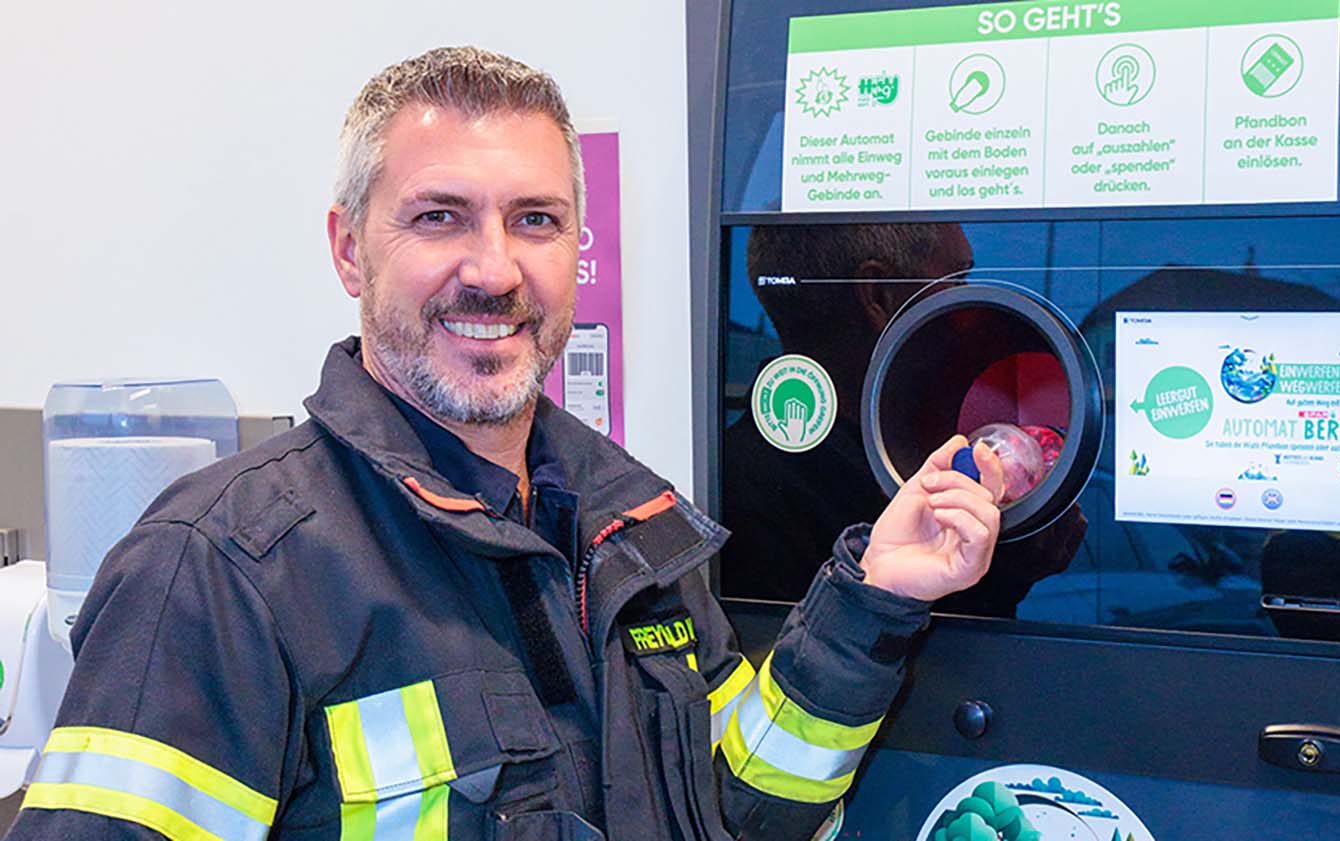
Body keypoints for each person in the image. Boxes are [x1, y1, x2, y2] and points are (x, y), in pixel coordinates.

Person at [6, 47, 1005, 841]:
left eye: (535, 220)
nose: (493, 270)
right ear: (350, 248)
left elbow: (744, 806)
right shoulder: (219, 569)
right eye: (440, 217)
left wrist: (873, 596)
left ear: (576, 249)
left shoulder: (639, 530)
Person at [721, 223, 1086, 617]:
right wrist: (999, 575)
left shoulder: (736, 473)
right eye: (957, 277)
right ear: (878, 294)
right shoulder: (764, 496)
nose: (966, 305)